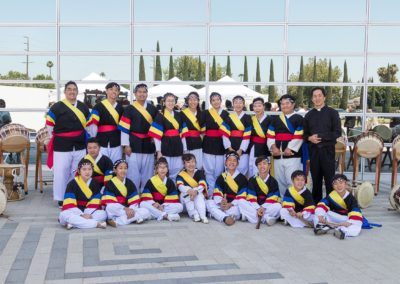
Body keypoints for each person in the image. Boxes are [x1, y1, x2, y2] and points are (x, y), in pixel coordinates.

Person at [46, 81, 90, 206]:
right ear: (65, 92)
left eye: (74, 89)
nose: (72, 91)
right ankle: (61, 198)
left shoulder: (83, 107)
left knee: (77, 171)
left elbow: (88, 126)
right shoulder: (57, 107)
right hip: (62, 145)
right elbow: (49, 126)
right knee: (61, 172)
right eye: (69, 89)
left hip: (80, 144)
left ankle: (75, 195)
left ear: (77, 92)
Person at [304, 87, 341, 203]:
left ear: (324, 97)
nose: (317, 98)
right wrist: (310, 138)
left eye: (320, 95)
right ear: (312, 99)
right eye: (315, 96)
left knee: (330, 180)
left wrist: (320, 137)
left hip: (328, 151)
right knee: (316, 180)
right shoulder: (308, 115)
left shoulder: (333, 113)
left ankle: (331, 204)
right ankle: (316, 204)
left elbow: (337, 132)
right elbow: (304, 135)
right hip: (314, 152)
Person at [118, 84, 158, 193]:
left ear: (147, 94)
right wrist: (126, 145)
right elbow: (125, 129)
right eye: (139, 92)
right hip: (133, 143)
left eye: (144, 92)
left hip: (148, 144)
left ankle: (146, 196)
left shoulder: (153, 109)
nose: (142, 94)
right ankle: (133, 195)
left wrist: (155, 141)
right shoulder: (129, 109)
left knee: (148, 173)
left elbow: (157, 128)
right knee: (132, 173)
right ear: (135, 94)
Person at [267, 94, 304, 195]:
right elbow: (270, 135)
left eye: (287, 103)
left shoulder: (299, 118)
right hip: (278, 155)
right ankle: (283, 202)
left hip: (292, 156)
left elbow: (299, 134)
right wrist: (273, 147)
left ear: (293, 104)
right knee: (279, 181)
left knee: (292, 180)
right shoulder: (275, 119)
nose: (285, 106)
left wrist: (290, 148)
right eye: (282, 104)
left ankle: (294, 203)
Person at [148, 92, 187, 182]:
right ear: (164, 102)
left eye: (173, 101)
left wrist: (185, 149)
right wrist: (158, 151)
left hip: (178, 145)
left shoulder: (179, 115)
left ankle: (174, 190)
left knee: (178, 169)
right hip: (165, 144)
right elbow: (157, 136)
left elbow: (183, 134)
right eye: (168, 101)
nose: (171, 103)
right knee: (165, 169)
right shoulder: (160, 115)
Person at [59, 159, 107, 229]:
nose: (87, 172)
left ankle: (74, 223)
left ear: (92, 170)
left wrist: (87, 214)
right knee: (64, 215)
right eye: (84, 169)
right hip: (75, 211)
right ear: (79, 171)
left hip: (90, 211)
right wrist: (81, 214)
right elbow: (70, 204)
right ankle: (96, 224)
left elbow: (95, 202)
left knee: (103, 214)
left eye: (89, 169)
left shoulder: (95, 183)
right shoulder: (72, 184)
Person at [102, 159, 151, 227]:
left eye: (125, 168)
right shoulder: (110, 183)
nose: (123, 170)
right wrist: (125, 209)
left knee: (146, 211)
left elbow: (134, 202)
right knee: (109, 207)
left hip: (128, 210)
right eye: (120, 168)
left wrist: (131, 209)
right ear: (115, 170)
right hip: (118, 210)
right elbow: (110, 202)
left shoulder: (129, 183)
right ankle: (135, 218)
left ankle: (117, 221)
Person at [313, 174, 363, 239]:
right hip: (334, 217)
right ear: (333, 186)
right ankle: (322, 226)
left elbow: (355, 211)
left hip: (346, 218)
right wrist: (320, 215)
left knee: (357, 224)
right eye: (335, 184)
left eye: (341, 182)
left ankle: (342, 231)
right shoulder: (331, 196)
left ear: (346, 184)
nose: (339, 186)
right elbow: (322, 204)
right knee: (317, 214)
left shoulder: (351, 198)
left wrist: (350, 222)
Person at [206, 151, 247, 226]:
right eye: (229, 160)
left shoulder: (242, 178)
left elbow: (242, 196)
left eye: (234, 160)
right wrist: (221, 202)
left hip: (233, 205)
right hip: (222, 205)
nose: (232, 162)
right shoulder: (221, 177)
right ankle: (226, 217)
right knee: (209, 202)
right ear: (225, 162)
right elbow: (217, 193)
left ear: (237, 163)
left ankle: (217, 215)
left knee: (238, 209)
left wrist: (230, 204)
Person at [238, 156, 281, 226]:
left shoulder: (273, 181)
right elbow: (251, 198)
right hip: (255, 207)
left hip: (267, 207)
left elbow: (273, 198)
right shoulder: (252, 179)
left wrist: (263, 208)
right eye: (259, 164)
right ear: (257, 167)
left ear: (269, 166)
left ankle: (252, 217)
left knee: (278, 206)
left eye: (264, 163)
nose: (262, 166)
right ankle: (266, 218)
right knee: (241, 201)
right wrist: (258, 208)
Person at [87, 82, 124, 163]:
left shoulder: (121, 108)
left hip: (116, 141)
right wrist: (94, 140)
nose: (114, 92)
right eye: (111, 89)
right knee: (101, 165)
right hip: (101, 141)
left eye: (116, 90)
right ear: (106, 91)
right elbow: (93, 125)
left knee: (116, 165)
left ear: (118, 92)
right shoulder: (98, 106)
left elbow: (124, 127)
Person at [201, 92, 230, 196]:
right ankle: (209, 193)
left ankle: (217, 194)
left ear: (221, 101)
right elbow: (201, 128)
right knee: (209, 171)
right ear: (210, 102)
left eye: (217, 99)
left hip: (221, 144)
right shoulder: (205, 113)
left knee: (218, 171)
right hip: (208, 143)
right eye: (213, 100)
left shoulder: (226, 114)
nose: (216, 102)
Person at [224, 95, 252, 176]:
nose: (238, 105)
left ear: (243, 104)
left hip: (243, 149)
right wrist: (229, 148)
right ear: (233, 104)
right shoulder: (228, 117)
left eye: (240, 102)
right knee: (229, 170)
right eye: (236, 102)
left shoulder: (248, 118)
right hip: (230, 147)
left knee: (242, 170)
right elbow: (225, 135)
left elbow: (247, 135)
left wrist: (241, 149)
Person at [176, 153, 208, 223]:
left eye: (193, 162)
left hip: (197, 199)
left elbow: (202, 184)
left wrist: (195, 191)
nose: (191, 164)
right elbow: (180, 186)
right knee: (186, 193)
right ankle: (194, 214)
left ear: (196, 163)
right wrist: (189, 190)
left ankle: (203, 216)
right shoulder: (180, 175)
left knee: (198, 194)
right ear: (184, 164)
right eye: (188, 162)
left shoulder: (200, 172)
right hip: (184, 203)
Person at [249, 97, 272, 177]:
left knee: (264, 169)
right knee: (252, 168)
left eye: (259, 106)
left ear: (263, 106)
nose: (257, 108)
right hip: (253, 147)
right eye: (255, 106)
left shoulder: (270, 119)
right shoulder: (251, 119)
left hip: (265, 147)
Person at [181, 92, 204, 169]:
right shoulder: (182, 114)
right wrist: (184, 147)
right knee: (186, 165)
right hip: (186, 142)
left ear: (198, 101)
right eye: (190, 99)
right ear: (187, 101)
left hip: (198, 142)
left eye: (195, 99)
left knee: (198, 165)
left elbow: (203, 131)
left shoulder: (202, 114)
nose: (193, 102)